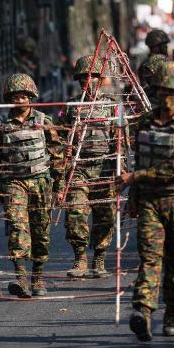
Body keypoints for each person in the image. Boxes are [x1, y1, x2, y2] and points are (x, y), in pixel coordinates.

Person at [120, 60, 174, 341]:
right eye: (162, 91)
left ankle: (172, 314)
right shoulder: (144, 123)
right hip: (150, 203)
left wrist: (135, 177)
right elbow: (139, 159)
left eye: (172, 92)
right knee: (150, 258)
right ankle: (143, 311)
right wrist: (134, 196)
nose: (166, 98)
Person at [0, 73, 62, 297]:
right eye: (15, 97)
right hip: (14, 183)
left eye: (23, 97)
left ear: (31, 97)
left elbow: (57, 154)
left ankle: (38, 276)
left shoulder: (43, 121)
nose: (19, 101)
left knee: (41, 231)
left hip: (41, 182)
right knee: (18, 228)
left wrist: (59, 187)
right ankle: (21, 277)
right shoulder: (0, 124)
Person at [58, 55, 118, 278]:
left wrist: (121, 169)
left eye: (92, 76)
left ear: (100, 79)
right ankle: (80, 258)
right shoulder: (72, 106)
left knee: (105, 215)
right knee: (76, 213)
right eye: (83, 78)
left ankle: (99, 259)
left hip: (104, 168)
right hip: (80, 168)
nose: (87, 81)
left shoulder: (112, 106)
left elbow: (122, 138)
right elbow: (62, 136)